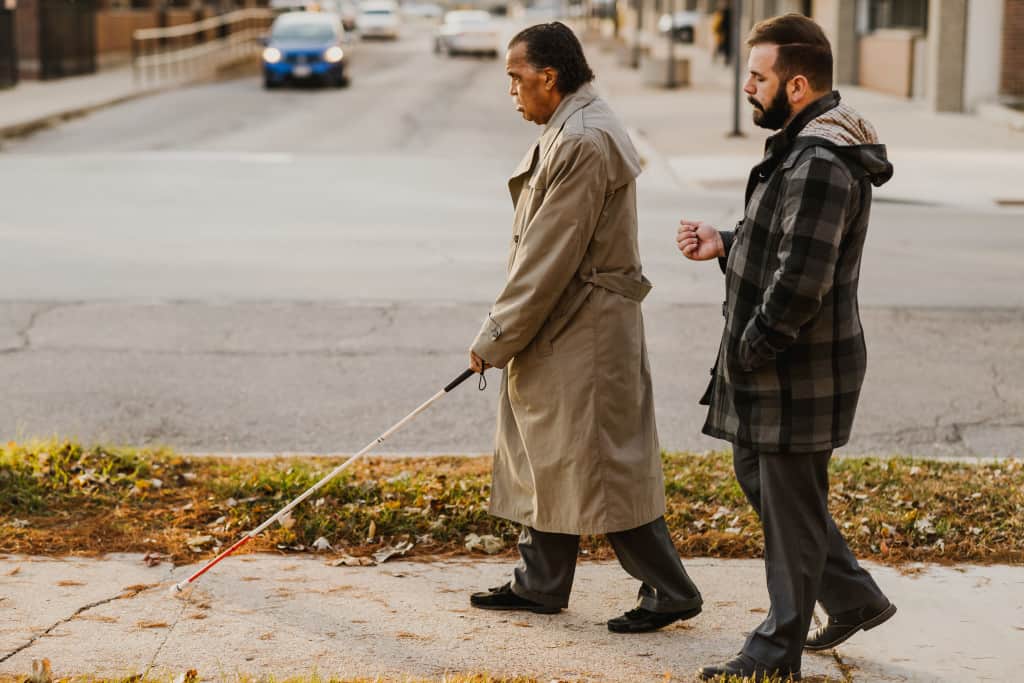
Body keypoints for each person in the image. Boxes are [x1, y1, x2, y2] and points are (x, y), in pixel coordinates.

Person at [676, 13, 897, 680]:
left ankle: (773, 652)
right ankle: (854, 596)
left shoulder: (821, 161)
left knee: (790, 505)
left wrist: (753, 345)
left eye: (758, 76)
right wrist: (726, 241)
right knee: (763, 479)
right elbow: (780, 238)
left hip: (797, 368)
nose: (747, 87)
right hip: (782, 366)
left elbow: (801, 279)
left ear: (797, 85)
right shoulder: (800, 147)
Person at [467, 21, 702, 633]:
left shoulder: (583, 140)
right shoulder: (572, 125)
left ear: (549, 77)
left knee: (602, 463)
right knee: (551, 454)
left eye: (516, 79)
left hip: (585, 332)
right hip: (568, 326)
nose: (511, 91)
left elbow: (548, 256)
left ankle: (670, 589)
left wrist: (494, 338)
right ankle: (540, 583)